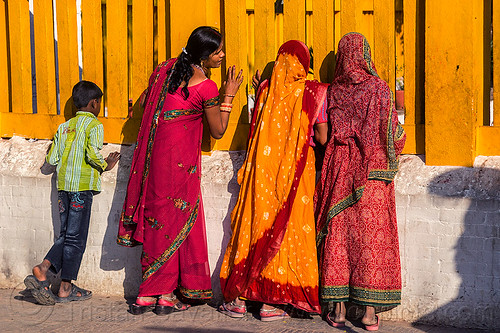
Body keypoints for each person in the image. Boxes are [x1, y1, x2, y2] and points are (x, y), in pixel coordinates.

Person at [117, 26, 243, 315]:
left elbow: (143, 107)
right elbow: (218, 131)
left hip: (153, 164)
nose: (223, 56)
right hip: (180, 169)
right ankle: (163, 297)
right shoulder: (207, 88)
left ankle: (148, 295)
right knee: (175, 222)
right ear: (205, 55)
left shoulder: (164, 72)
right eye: (218, 51)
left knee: (157, 222)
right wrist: (229, 95)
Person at [219, 40, 328, 321]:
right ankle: (272, 303)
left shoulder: (266, 89)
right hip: (297, 175)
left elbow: (257, 128)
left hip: (262, 175)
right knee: (288, 232)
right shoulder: (315, 92)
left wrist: (261, 88)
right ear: (306, 65)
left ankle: (240, 300)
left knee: (256, 228)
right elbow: (323, 137)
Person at [314, 32, 406, 331]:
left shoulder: (333, 91)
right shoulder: (380, 88)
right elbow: (393, 134)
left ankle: (338, 311)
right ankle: (368, 314)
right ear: (365, 54)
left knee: (338, 239)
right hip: (371, 174)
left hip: (339, 168)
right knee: (370, 243)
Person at [24, 81, 120, 305]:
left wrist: (45, 166)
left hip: (64, 186)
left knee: (66, 234)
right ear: (94, 103)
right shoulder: (94, 126)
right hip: (82, 187)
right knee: (76, 239)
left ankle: (50, 274)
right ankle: (59, 282)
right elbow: (91, 154)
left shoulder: (64, 127)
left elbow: (52, 159)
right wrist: (106, 164)